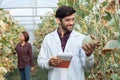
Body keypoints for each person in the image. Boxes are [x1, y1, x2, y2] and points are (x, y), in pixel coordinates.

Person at [37, 6, 99, 80]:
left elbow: (88, 66)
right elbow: (41, 61)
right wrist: (49, 63)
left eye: (73, 19)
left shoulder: (81, 38)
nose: (71, 23)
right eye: (67, 20)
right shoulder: (48, 39)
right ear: (58, 20)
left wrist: (88, 56)